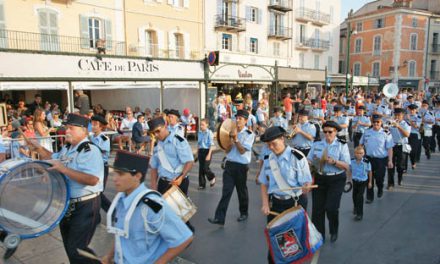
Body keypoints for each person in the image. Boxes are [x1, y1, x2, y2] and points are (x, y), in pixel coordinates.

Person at [27, 114, 104, 263]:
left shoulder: (90, 150)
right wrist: (38, 148)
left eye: (71, 128)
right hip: (67, 204)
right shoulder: (68, 148)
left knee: (77, 250)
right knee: (71, 248)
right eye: (66, 128)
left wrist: (65, 170)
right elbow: (53, 158)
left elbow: (93, 179)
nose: (66, 131)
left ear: (83, 130)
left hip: (85, 205)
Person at [102, 151, 193, 264]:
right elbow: (121, 234)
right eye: (115, 173)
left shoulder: (151, 205)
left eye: (120, 174)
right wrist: (109, 256)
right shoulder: (121, 199)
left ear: (137, 176)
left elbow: (184, 239)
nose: (114, 178)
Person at [259, 126, 312, 263]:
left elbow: (306, 183)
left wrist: (306, 187)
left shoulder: (297, 157)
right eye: (268, 144)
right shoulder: (268, 158)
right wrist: (265, 203)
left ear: (282, 139)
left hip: (294, 204)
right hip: (275, 204)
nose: (270, 147)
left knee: (292, 244)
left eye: (273, 144)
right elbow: (264, 182)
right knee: (275, 242)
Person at [208, 109, 255, 225]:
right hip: (229, 165)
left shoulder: (250, 134)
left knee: (241, 191)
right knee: (226, 192)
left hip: (241, 166)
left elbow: (242, 151)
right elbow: (227, 150)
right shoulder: (231, 131)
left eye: (240, 119)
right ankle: (219, 218)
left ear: (246, 121)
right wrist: (228, 141)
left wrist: (236, 139)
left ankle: (244, 212)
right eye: (236, 118)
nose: (237, 120)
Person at [307, 121, 350, 243]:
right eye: (324, 132)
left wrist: (335, 162)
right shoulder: (317, 144)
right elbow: (309, 160)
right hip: (320, 177)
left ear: (335, 132)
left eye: (330, 132)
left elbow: (347, 165)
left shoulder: (342, 145)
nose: (327, 134)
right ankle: (319, 235)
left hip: (336, 179)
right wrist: (309, 164)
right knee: (317, 209)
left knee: (331, 208)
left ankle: (333, 230)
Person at [148, 117, 195, 230]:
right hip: (163, 182)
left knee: (179, 214)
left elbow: (189, 161)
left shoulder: (178, 140)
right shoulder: (157, 146)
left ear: (165, 126)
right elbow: (154, 167)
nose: (157, 135)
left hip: (178, 182)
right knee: (161, 212)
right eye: (154, 133)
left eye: (158, 131)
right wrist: (153, 186)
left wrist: (181, 177)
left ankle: (188, 232)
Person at [359, 114, 394, 203]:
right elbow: (361, 144)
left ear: (381, 122)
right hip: (369, 159)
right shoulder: (367, 132)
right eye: (374, 122)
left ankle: (380, 188)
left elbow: (389, 148)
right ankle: (370, 197)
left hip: (381, 160)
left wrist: (390, 160)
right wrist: (360, 156)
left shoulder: (386, 133)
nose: (376, 124)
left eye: (377, 122)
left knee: (379, 178)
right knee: (368, 178)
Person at [90, 115, 112, 212]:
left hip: (102, 167)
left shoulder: (104, 139)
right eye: (92, 124)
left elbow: (103, 152)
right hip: (92, 167)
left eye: (96, 125)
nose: (93, 126)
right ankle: (97, 216)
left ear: (101, 127)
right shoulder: (91, 138)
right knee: (95, 192)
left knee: (99, 192)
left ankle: (112, 211)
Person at [387, 108, 411, 188]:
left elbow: (407, 135)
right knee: (390, 165)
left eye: (399, 115)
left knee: (400, 166)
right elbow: (386, 132)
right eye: (396, 115)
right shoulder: (391, 123)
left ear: (402, 116)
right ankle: (390, 183)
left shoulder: (406, 124)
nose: (397, 117)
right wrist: (387, 127)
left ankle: (400, 178)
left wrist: (398, 126)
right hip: (392, 146)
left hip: (401, 146)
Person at [350, 146, 372, 221]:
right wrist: (349, 180)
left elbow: (369, 172)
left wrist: (370, 182)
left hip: (363, 181)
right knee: (354, 196)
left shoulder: (366, 162)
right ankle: (355, 207)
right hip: (355, 181)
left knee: (360, 197)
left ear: (364, 154)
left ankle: (360, 214)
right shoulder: (352, 161)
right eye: (358, 153)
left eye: (361, 153)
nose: (359, 155)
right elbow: (349, 170)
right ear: (355, 154)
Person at [197, 118, 216, 189]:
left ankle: (212, 177)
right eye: (200, 125)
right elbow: (198, 144)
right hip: (201, 151)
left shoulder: (209, 133)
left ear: (207, 125)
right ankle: (202, 184)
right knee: (201, 169)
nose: (201, 126)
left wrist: (209, 154)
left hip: (207, 151)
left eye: (203, 125)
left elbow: (211, 144)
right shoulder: (199, 132)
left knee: (205, 167)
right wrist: (197, 153)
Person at [406, 104, 422, 169]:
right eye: (410, 110)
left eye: (413, 110)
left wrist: (409, 119)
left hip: (414, 134)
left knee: (413, 151)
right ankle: (404, 167)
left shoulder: (418, 117)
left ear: (416, 110)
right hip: (406, 134)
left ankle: (413, 162)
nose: (412, 111)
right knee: (405, 151)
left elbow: (416, 126)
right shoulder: (405, 116)